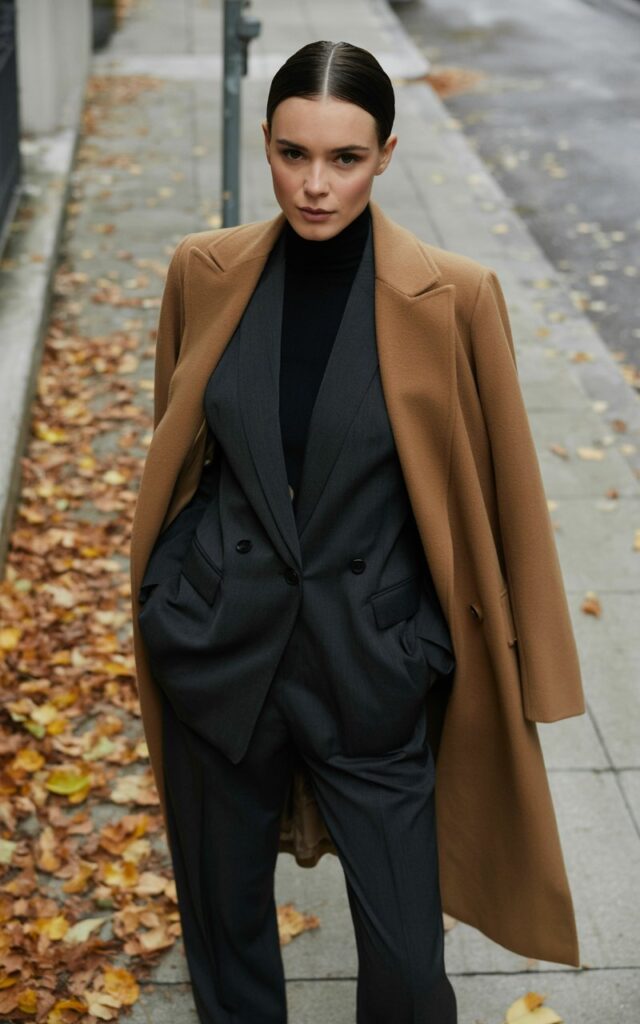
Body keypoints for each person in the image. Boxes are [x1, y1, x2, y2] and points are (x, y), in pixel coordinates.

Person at [129, 40, 585, 1024]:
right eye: (293, 153)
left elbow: (502, 484)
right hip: (218, 657)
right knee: (226, 944)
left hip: (373, 668)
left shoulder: (454, 294)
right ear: (266, 145)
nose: (315, 183)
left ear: (383, 153)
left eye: (343, 158)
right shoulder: (204, 270)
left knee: (409, 969)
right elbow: (177, 457)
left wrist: (464, 650)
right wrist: (169, 600)